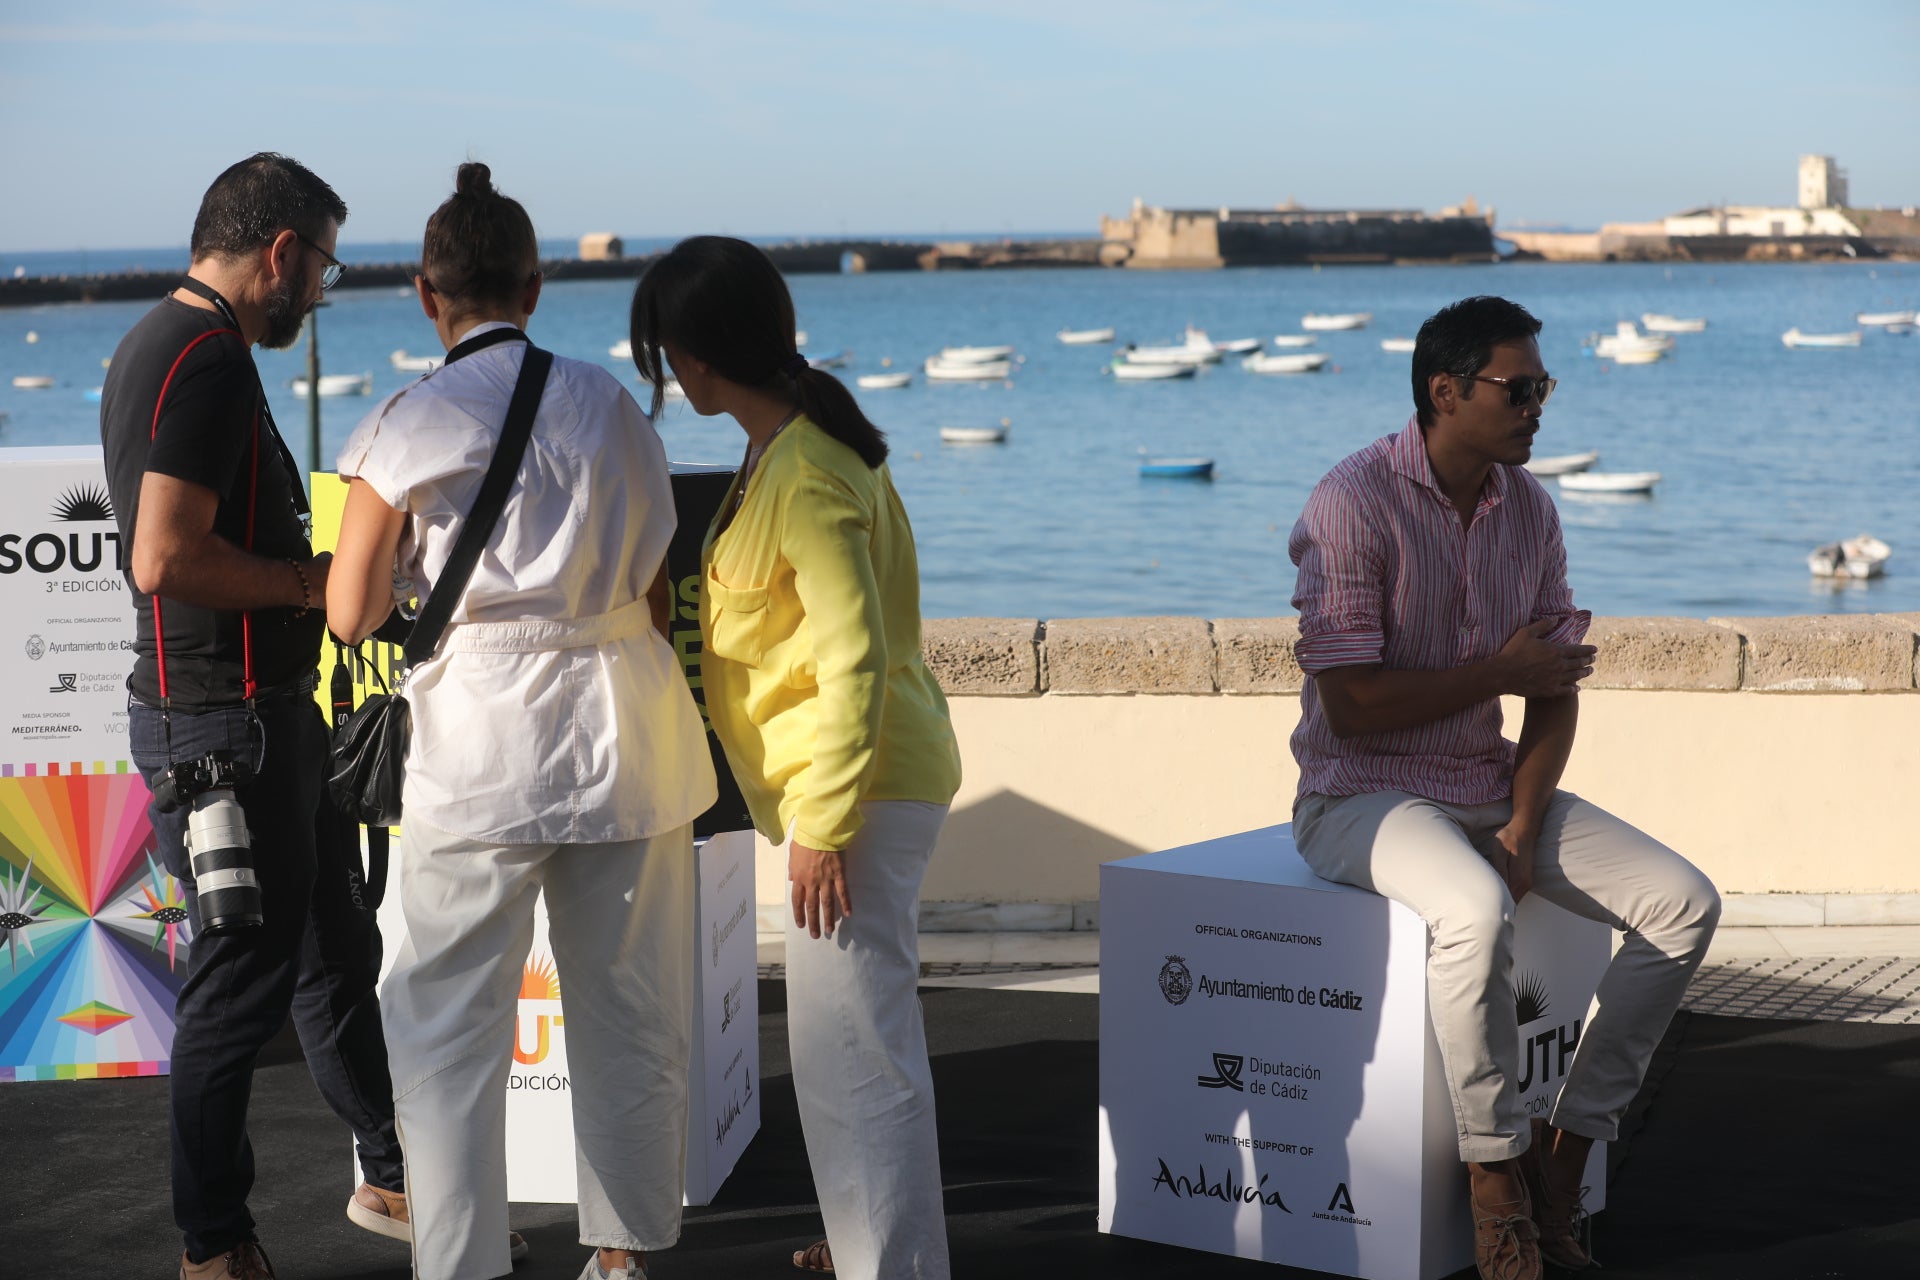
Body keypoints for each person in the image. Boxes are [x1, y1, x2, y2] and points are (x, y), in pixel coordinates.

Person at [328, 163, 716, 1280]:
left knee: (444, 1029)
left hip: (477, 751)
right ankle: (622, 1256)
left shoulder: (407, 421)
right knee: (632, 1011)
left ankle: (462, 1263)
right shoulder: (611, 406)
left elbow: (351, 611)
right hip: (624, 733)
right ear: (534, 287)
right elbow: (656, 588)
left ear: (426, 293)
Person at [1286, 296, 1720, 1280]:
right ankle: (1495, 1180)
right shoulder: (1352, 501)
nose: (1537, 407)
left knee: (1683, 902)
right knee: (1475, 911)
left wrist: (1522, 822)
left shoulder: (1529, 508)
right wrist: (1495, 673)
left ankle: (1563, 1162)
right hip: (1358, 796)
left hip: (1486, 783)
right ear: (1445, 392)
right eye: (1518, 389)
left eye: (1542, 387)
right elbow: (1350, 705)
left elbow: (1553, 687)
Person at [101, 151, 419, 1280]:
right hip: (225, 734)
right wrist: (312, 584)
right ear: (281, 251)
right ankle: (214, 1243)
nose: (321, 290)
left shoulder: (162, 341)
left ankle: (391, 1172)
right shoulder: (207, 360)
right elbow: (161, 557)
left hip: (253, 720)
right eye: (323, 264)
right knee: (236, 995)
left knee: (336, 954)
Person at [630, 236, 963, 1280]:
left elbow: (851, 659)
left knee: (857, 1055)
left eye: (666, 355)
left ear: (699, 356)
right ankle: (873, 1242)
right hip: (855, 785)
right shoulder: (792, 446)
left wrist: (822, 825)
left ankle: (892, 1262)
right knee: (845, 1051)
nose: (666, 375)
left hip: (856, 792)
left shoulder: (807, 469)